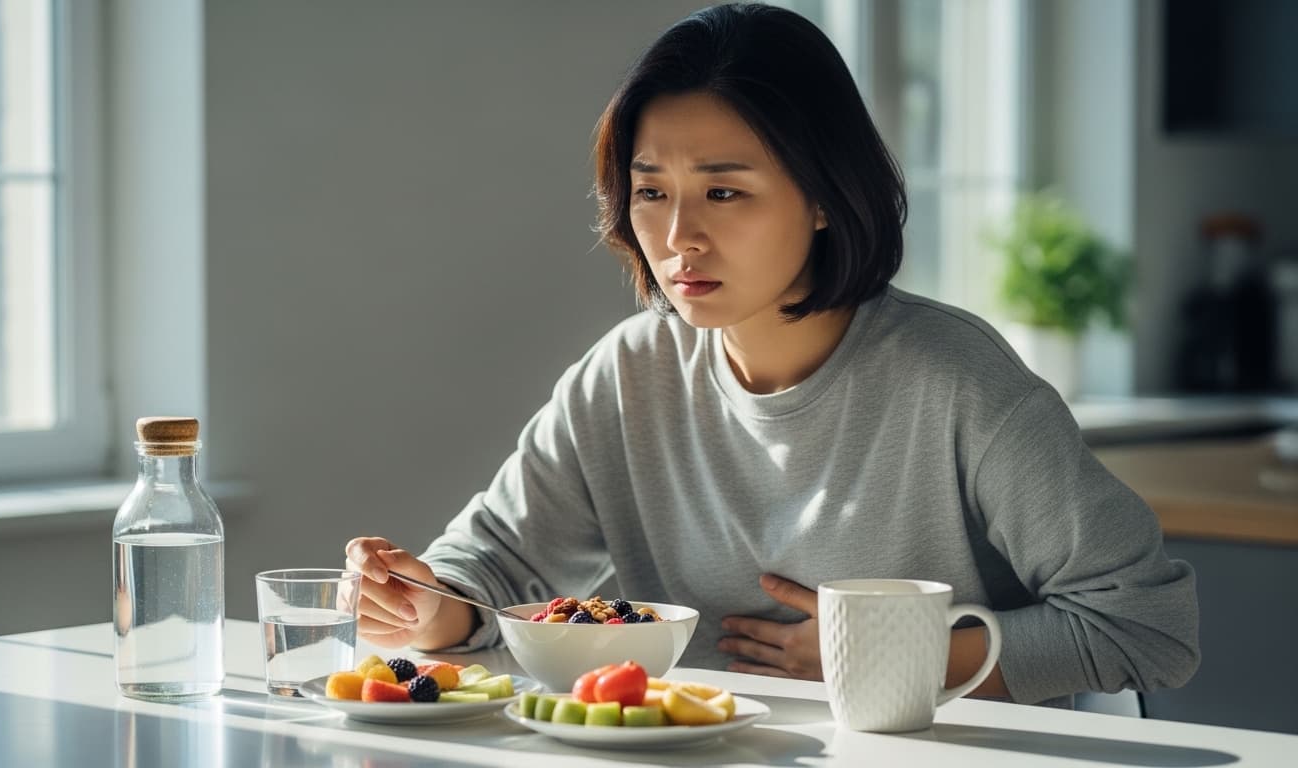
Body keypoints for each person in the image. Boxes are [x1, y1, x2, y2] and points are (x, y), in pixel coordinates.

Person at [345, 3, 1199, 707]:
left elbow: (1148, 626)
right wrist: (427, 608)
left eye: (725, 191)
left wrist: (885, 657)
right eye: (651, 192)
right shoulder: (627, 375)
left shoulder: (956, 381)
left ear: (825, 196)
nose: (679, 236)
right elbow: (495, 565)